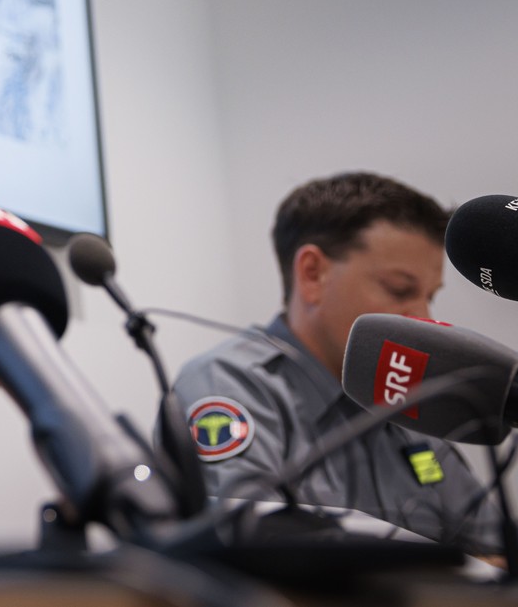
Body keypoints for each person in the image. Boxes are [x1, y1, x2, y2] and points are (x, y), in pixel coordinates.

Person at [170, 171, 501, 552]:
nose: (424, 317)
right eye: (400, 290)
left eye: (430, 296)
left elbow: (495, 552)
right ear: (313, 274)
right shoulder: (228, 382)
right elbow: (246, 551)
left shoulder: (404, 395)